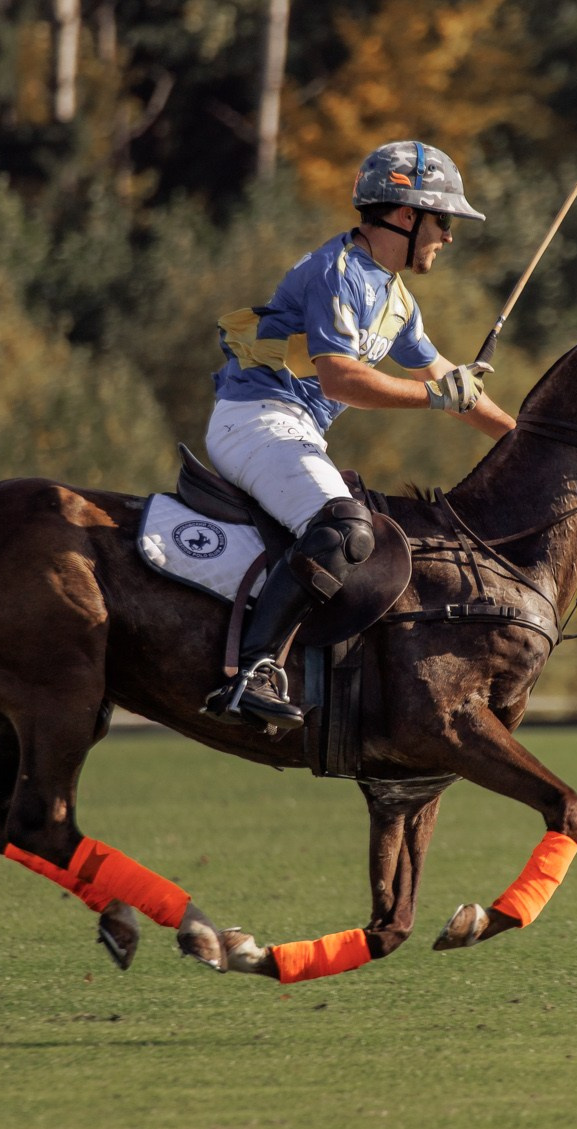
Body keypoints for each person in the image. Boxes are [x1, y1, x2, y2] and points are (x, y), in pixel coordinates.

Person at [202, 140, 514, 729]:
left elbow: (452, 385)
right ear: (406, 215)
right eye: (442, 221)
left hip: (293, 427)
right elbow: (342, 379)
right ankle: (252, 672)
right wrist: (432, 396)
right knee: (344, 528)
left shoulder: (396, 299)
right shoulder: (338, 271)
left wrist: (526, 442)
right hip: (256, 418)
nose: (447, 236)